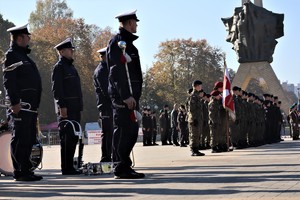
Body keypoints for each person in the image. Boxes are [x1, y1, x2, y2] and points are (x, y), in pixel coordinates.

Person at [107, 10, 144, 179]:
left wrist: (135, 96)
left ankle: (125, 165)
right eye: (135, 22)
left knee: (132, 131)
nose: (136, 25)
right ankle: (120, 167)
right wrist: (125, 95)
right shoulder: (117, 43)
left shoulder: (130, 45)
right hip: (124, 97)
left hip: (132, 97)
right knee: (123, 131)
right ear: (129, 23)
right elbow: (117, 72)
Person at [3, 24, 43, 181]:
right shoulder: (11, 55)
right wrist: (14, 102)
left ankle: (26, 169)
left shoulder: (24, 56)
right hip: (21, 106)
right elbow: (9, 81)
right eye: (27, 37)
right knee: (20, 138)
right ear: (20, 38)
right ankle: (19, 171)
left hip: (30, 107)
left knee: (28, 138)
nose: (29, 39)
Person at [52, 38, 83, 175]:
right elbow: (57, 90)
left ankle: (70, 165)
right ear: (62, 51)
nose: (72, 51)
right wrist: (62, 106)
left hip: (75, 108)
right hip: (66, 109)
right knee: (67, 138)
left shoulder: (71, 67)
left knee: (74, 138)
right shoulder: (59, 67)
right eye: (70, 49)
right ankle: (66, 167)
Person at [93, 47, 113, 162]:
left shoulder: (107, 69)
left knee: (110, 132)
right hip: (106, 106)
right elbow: (107, 90)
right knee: (107, 133)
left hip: (109, 105)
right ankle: (106, 157)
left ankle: (110, 156)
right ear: (105, 56)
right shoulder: (101, 70)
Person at [187, 80, 205, 156]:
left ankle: (196, 149)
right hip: (194, 119)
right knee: (194, 135)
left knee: (198, 134)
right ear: (196, 86)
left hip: (198, 118)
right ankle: (193, 150)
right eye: (200, 85)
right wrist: (194, 119)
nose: (201, 87)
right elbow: (192, 109)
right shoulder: (193, 96)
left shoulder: (197, 96)